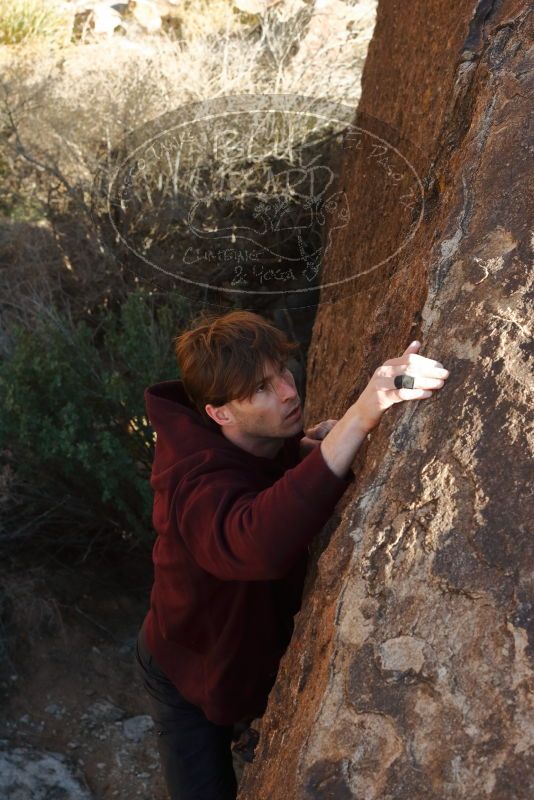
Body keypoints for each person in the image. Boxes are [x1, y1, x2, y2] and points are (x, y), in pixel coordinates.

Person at [134, 309, 450, 799]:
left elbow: (259, 474)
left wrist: (305, 452)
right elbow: (252, 542)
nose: (287, 391)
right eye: (261, 388)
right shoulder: (191, 483)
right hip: (185, 677)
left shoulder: (257, 438)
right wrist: (367, 408)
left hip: (238, 657)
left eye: (282, 371)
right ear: (219, 413)